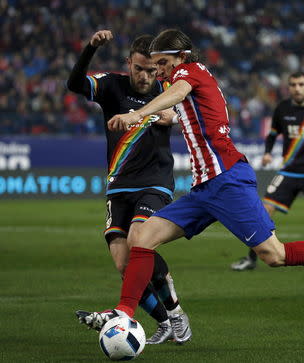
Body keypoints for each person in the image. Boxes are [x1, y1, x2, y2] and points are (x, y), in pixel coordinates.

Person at [76, 29, 304, 332]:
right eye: (156, 65)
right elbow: (184, 106)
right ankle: (125, 312)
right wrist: (158, 114)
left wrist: (137, 114)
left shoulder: (189, 72)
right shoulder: (184, 77)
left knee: (274, 255)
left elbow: (179, 93)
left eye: (164, 63)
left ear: (181, 57)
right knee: (140, 238)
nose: (160, 72)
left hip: (227, 179)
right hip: (204, 188)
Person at [67, 30, 191, 344]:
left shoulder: (167, 89)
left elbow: (190, 110)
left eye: (152, 70)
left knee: (140, 242)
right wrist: (90, 48)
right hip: (118, 185)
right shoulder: (112, 85)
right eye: (140, 69)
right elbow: (75, 84)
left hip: (155, 182)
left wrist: (173, 116)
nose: (146, 76)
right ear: (129, 64)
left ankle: (176, 313)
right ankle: (163, 322)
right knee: (124, 263)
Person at [231, 72, 304, 271]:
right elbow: (273, 135)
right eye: (293, 85)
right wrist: (267, 153)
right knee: (263, 212)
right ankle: (251, 259)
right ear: (289, 87)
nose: (297, 88)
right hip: (289, 171)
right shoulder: (282, 108)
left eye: (301, 84)